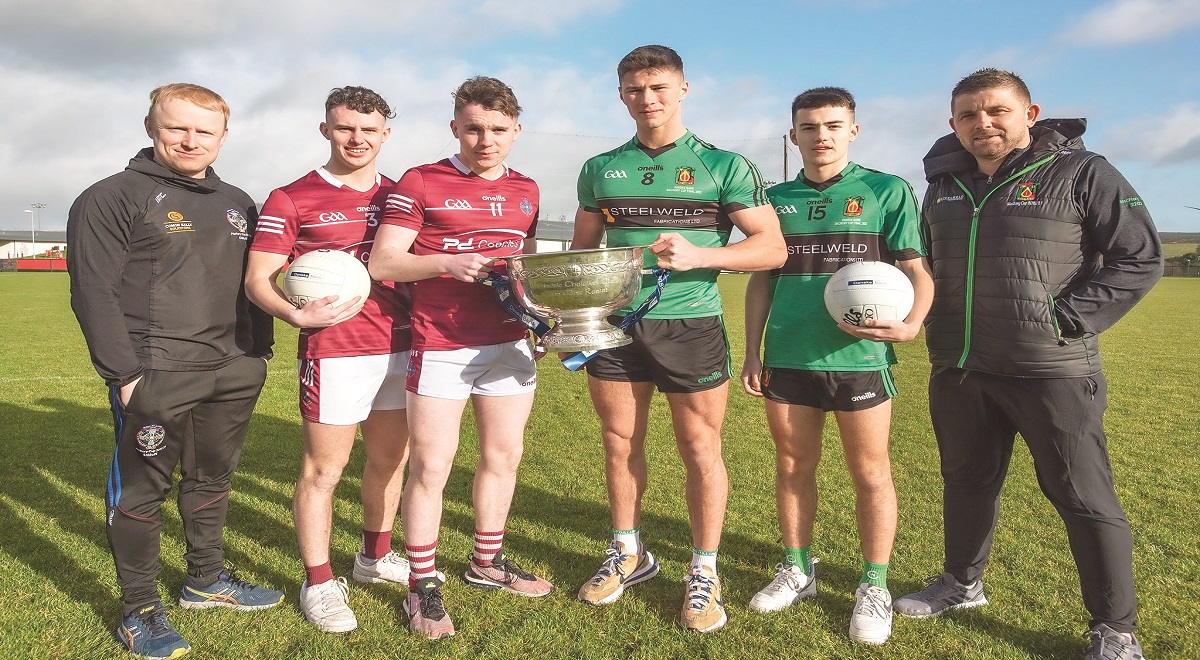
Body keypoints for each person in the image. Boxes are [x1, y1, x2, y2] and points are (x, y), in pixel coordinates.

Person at [892, 69, 1161, 660]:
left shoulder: (1082, 173)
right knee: (966, 482)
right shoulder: (941, 183)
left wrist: (1067, 319)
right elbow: (929, 266)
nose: (982, 123)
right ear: (952, 122)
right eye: (967, 114)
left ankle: (1116, 630)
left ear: (1030, 113)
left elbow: (1139, 257)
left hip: (1050, 370)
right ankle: (961, 583)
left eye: (996, 111)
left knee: (1083, 496)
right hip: (960, 367)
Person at [570, 45, 787, 633]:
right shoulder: (600, 167)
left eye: (660, 87)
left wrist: (702, 254)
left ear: (683, 89)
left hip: (691, 323)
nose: (648, 99)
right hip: (616, 326)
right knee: (619, 442)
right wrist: (566, 309)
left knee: (699, 449)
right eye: (636, 90)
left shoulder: (724, 165)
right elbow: (582, 253)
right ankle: (628, 552)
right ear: (622, 95)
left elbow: (772, 248)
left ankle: (704, 568)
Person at [67, 83, 282, 659]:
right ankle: (139, 610)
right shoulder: (111, 197)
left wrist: (257, 352)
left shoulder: (238, 201)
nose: (190, 140)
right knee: (143, 492)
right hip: (157, 372)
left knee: (211, 479)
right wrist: (125, 374)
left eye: (204, 131)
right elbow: (93, 291)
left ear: (223, 135)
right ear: (151, 127)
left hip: (232, 369)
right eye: (177, 128)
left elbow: (251, 283)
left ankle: (204, 582)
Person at [740, 87, 933, 645]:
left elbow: (918, 273)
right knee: (793, 465)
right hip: (788, 354)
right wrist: (754, 350)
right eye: (808, 126)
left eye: (832, 125)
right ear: (792, 135)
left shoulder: (885, 190)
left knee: (870, 472)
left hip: (861, 357)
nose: (820, 135)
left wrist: (913, 322)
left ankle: (874, 584)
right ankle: (798, 569)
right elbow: (761, 278)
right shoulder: (773, 198)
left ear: (853, 130)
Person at [369, 76, 551, 641]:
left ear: (516, 131)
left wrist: (544, 312)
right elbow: (384, 262)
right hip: (442, 344)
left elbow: (526, 269)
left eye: (498, 129)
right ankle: (422, 584)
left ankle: (486, 562)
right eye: (473, 128)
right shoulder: (421, 180)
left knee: (503, 457)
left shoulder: (529, 189)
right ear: (455, 128)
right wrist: (446, 263)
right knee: (431, 468)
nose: (485, 140)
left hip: (510, 343)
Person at [244, 86, 412, 634]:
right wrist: (293, 317)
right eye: (345, 128)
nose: (357, 139)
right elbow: (256, 279)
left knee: (390, 461)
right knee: (324, 470)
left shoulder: (404, 195)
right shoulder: (291, 197)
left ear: (386, 133)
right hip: (335, 350)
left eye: (369, 130)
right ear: (326, 131)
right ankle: (318, 581)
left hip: (405, 343)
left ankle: (373, 557)